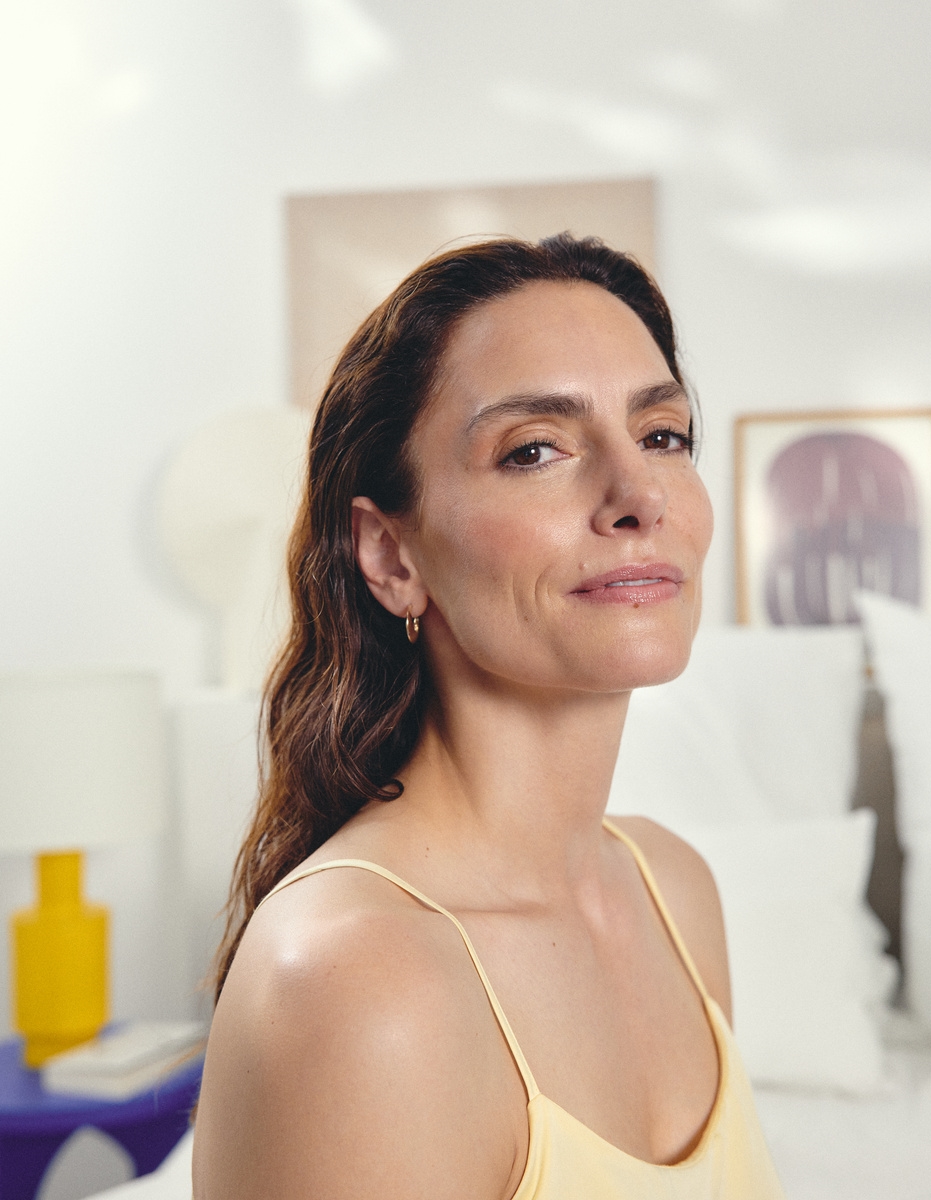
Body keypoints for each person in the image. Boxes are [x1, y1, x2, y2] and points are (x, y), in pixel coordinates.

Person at [192, 233, 785, 1199]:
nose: (639, 495)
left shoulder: (674, 889)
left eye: (663, 435)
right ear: (390, 556)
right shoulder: (353, 981)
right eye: (535, 450)